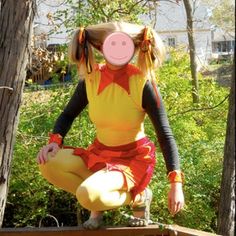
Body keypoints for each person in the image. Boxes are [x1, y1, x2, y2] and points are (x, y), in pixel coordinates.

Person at [37, 22, 184, 230]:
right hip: (99, 156)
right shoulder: (90, 79)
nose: (117, 49)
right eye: (111, 44)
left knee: (86, 195)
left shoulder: (143, 83)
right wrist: (55, 141)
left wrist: (175, 183)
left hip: (131, 161)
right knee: (47, 163)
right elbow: (67, 114)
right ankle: (97, 196)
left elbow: (165, 134)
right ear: (99, 47)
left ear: (134, 47)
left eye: (123, 44)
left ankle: (139, 195)